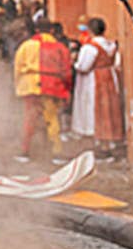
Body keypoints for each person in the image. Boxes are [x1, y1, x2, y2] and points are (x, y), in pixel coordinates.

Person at [14, 18, 73, 163]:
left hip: (29, 86)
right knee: (52, 119)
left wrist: (18, 86)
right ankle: (57, 153)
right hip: (52, 86)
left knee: (29, 118)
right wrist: (67, 90)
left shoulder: (25, 46)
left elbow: (17, 68)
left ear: (36, 30)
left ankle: (25, 152)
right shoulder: (60, 48)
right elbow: (67, 71)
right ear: (52, 30)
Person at [71, 16, 125, 160]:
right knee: (109, 110)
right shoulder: (112, 45)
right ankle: (110, 141)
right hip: (110, 78)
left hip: (94, 80)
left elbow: (83, 66)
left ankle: (100, 143)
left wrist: (74, 63)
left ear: (90, 30)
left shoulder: (90, 47)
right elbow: (117, 62)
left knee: (95, 111)